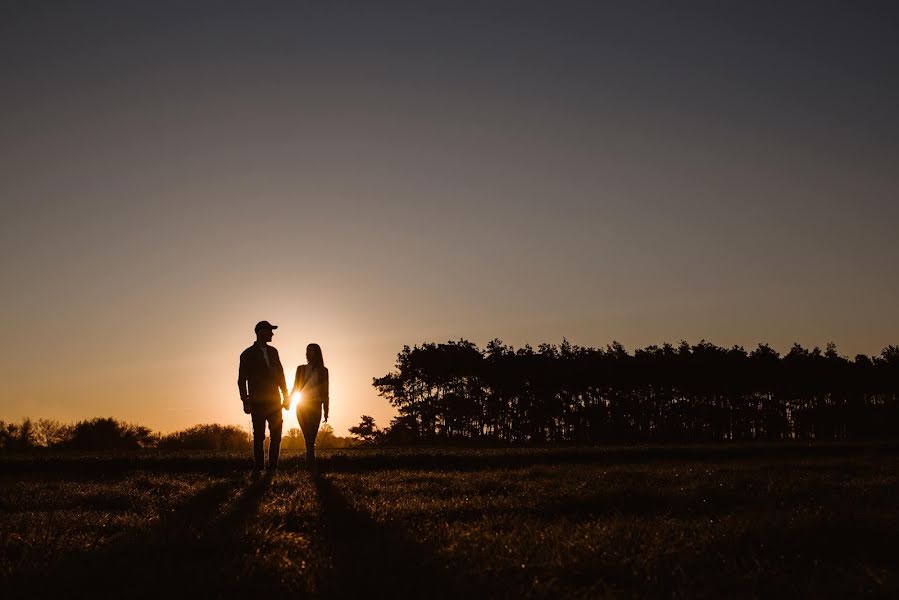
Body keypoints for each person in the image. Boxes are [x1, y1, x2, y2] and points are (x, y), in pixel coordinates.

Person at [237, 320, 289, 474]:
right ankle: (259, 468)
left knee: (276, 436)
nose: (272, 334)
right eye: (270, 331)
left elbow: (281, 375)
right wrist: (245, 401)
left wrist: (286, 396)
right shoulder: (247, 354)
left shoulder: (274, 352)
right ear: (261, 332)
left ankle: (273, 468)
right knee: (259, 436)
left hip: (275, 401)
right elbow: (242, 380)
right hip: (257, 402)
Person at [291, 343, 329, 473]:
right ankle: (311, 464)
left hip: (316, 406)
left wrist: (326, 410)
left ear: (317, 353)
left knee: (311, 436)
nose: (308, 353)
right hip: (302, 405)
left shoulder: (324, 371)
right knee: (307, 435)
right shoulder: (300, 369)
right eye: (307, 350)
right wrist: (288, 402)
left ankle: (310, 463)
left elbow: (325, 392)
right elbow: (295, 387)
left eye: (311, 350)